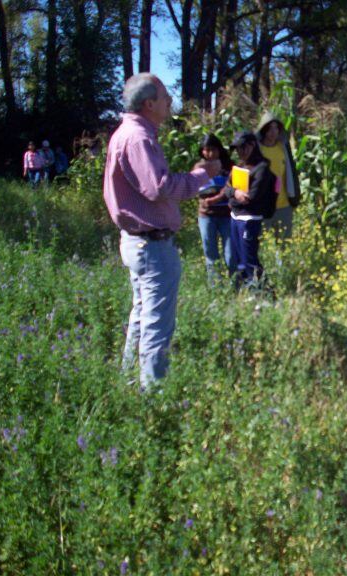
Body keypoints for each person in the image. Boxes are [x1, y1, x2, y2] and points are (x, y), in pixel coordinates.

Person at [103, 73, 217, 390]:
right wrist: (201, 176)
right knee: (156, 323)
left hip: (138, 242)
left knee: (142, 315)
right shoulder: (138, 138)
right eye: (166, 96)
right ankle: (152, 398)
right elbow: (160, 188)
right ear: (149, 103)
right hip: (151, 246)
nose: (170, 102)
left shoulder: (130, 133)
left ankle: (129, 383)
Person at [225, 130, 277, 287]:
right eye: (237, 149)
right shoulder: (240, 166)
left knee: (249, 258)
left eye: (242, 148)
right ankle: (246, 289)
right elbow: (227, 188)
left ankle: (262, 292)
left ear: (252, 145)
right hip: (235, 217)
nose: (239, 152)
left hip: (249, 219)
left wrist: (233, 196)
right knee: (238, 258)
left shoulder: (262, 168)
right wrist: (235, 193)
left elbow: (251, 197)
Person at [197, 133, 236, 282]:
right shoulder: (199, 168)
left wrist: (216, 197)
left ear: (219, 150)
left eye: (213, 149)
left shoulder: (229, 167)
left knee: (231, 253)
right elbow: (198, 189)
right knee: (210, 253)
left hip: (226, 215)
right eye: (206, 150)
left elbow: (233, 188)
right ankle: (216, 287)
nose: (210, 153)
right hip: (207, 216)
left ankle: (235, 283)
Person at [256, 112, 301, 237]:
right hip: (263, 206)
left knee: (285, 244)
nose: (273, 132)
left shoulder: (283, 148)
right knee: (262, 244)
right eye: (269, 128)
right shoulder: (258, 150)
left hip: (284, 204)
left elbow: (291, 173)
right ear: (263, 130)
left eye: (276, 128)